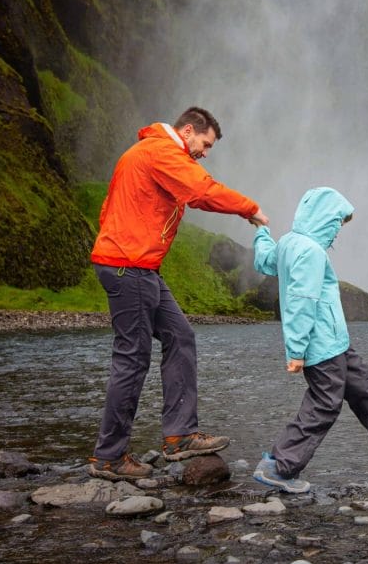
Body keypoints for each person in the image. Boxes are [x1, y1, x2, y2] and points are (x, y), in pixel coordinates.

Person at [87, 107, 269, 481]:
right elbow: (200, 190)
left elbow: (109, 208)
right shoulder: (161, 152)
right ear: (187, 131)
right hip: (129, 266)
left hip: (138, 266)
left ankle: (179, 435)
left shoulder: (146, 153)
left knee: (180, 335)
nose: (204, 152)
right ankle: (109, 457)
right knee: (132, 358)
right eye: (205, 144)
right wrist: (249, 209)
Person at [249, 186, 368, 493]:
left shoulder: (289, 243)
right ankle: (279, 467)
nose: (336, 234)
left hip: (337, 343)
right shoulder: (311, 252)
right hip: (321, 349)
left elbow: (264, 261)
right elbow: (300, 301)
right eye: (336, 225)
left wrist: (262, 231)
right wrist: (297, 351)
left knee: (367, 390)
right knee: (324, 405)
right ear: (323, 218)